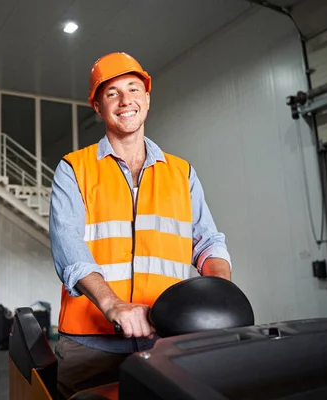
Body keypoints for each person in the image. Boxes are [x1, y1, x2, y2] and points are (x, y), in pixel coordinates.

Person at [49, 52, 232, 398]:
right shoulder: (74, 169)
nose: (125, 100)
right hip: (92, 345)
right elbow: (69, 250)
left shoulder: (183, 173)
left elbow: (207, 241)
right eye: (112, 93)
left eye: (133, 89)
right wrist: (113, 305)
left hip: (166, 339)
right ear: (98, 107)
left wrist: (220, 286)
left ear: (147, 99)